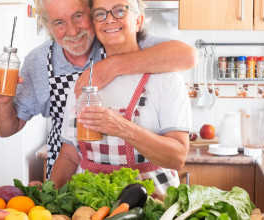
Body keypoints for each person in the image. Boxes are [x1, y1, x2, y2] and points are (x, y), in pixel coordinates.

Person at [0, 0, 197, 180]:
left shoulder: (127, 41)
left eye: (78, 16)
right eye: (59, 22)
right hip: (75, 175)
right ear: (48, 27)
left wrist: (113, 66)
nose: (72, 31)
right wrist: (3, 103)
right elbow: (10, 130)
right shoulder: (46, 65)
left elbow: (188, 56)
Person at [51, 0, 192, 196]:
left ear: (139, 20)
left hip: (153, 203)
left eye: (119, 11)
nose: (109, 19)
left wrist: (121, 127)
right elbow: (69, 156)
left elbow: (177, 157)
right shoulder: (84, 82)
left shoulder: (167, 79)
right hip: (90, 207)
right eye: (100, 14)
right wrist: (47, 197)